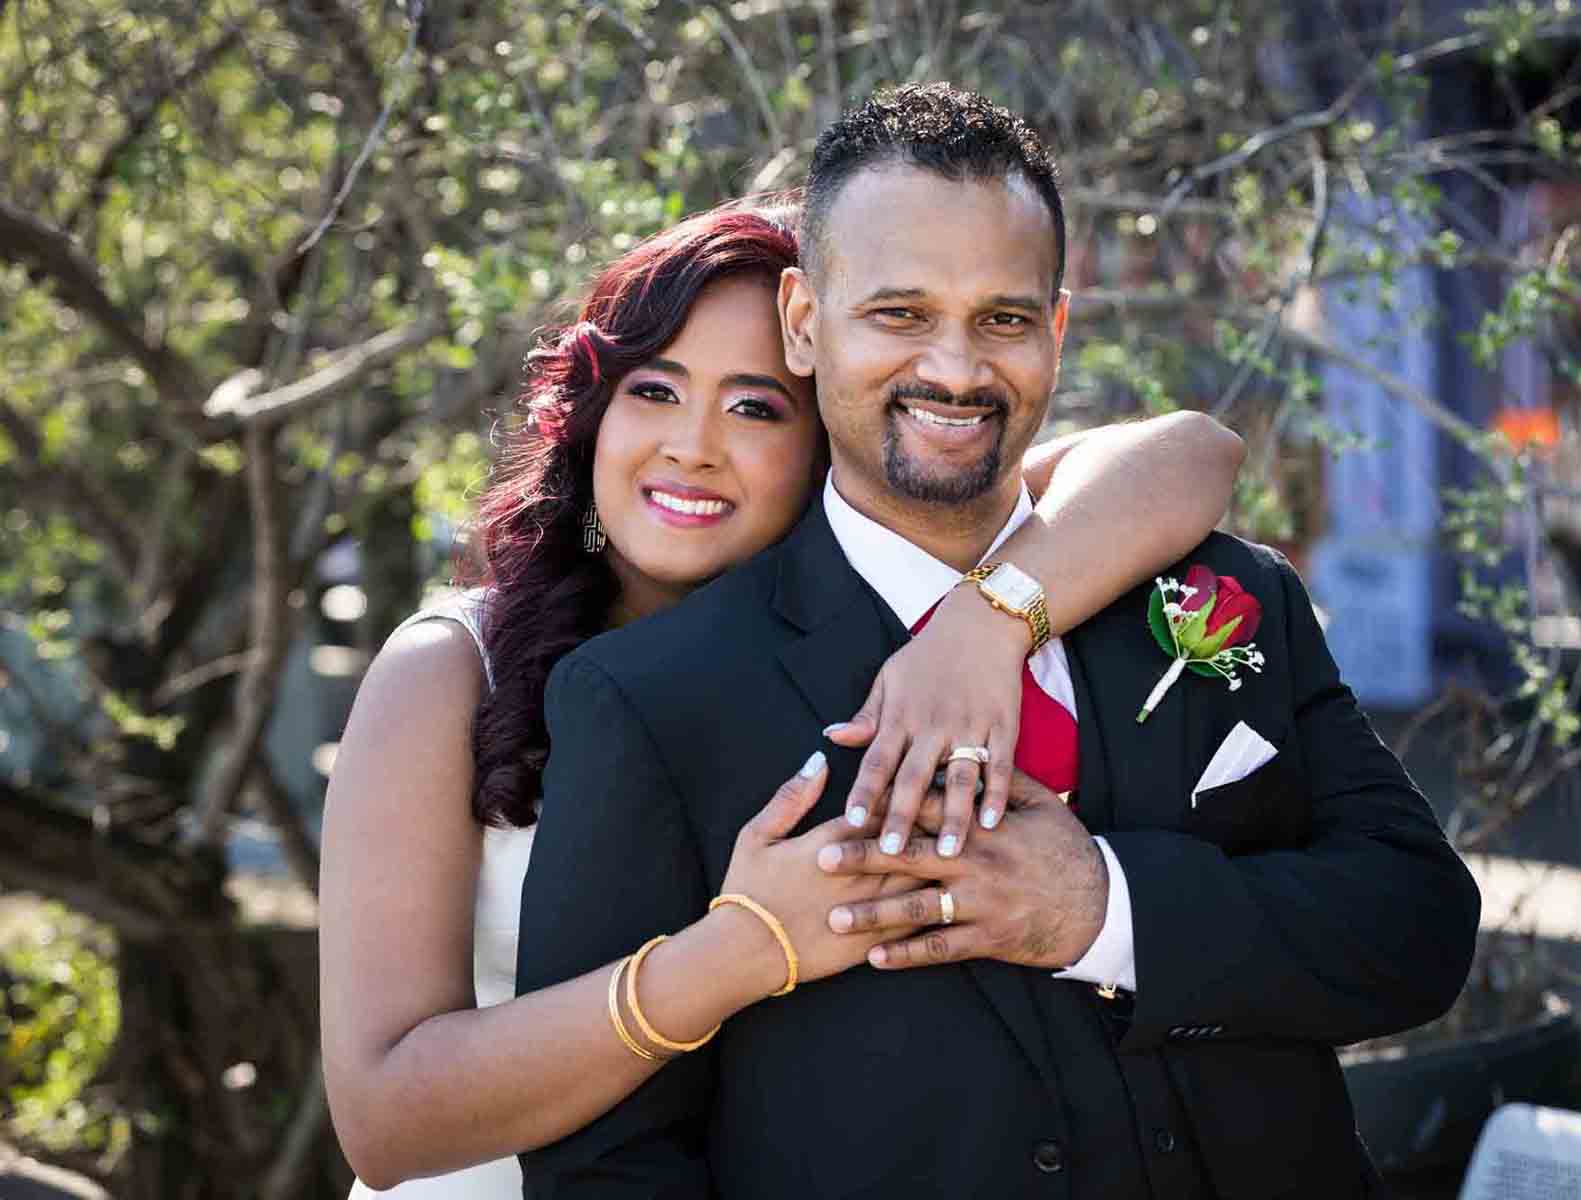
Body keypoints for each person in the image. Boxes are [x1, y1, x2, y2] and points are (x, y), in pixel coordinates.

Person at [516, 84, 1483, 1199]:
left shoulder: (1229, 594)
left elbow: (1419, 929)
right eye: (900, 315)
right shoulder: (652, 698)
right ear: (802, 321)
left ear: (1059, 328)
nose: (960, 369)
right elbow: (605, 1167)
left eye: (1005, 319)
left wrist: (1103, 910)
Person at [317, 198, 1248, 1194]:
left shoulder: (873, 643)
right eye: (655, 390)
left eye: (757, 406)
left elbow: (1189, 456)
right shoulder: (453, 670)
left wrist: (986, 624)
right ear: (594, 416)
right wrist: (743, 951)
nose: (694, 446)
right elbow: (384, 1122)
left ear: (832, 437)